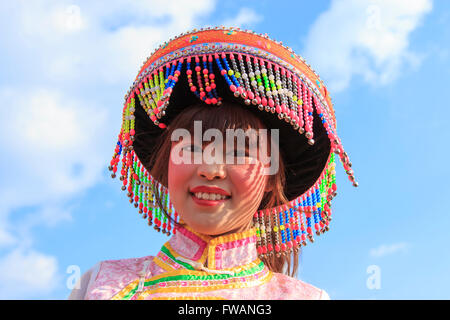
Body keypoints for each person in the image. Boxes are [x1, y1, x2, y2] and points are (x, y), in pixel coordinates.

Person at [68, 26, 357, 300]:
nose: (209, 169)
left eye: (237, 152)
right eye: (191, 148)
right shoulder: (101, 285)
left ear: (271, 175)